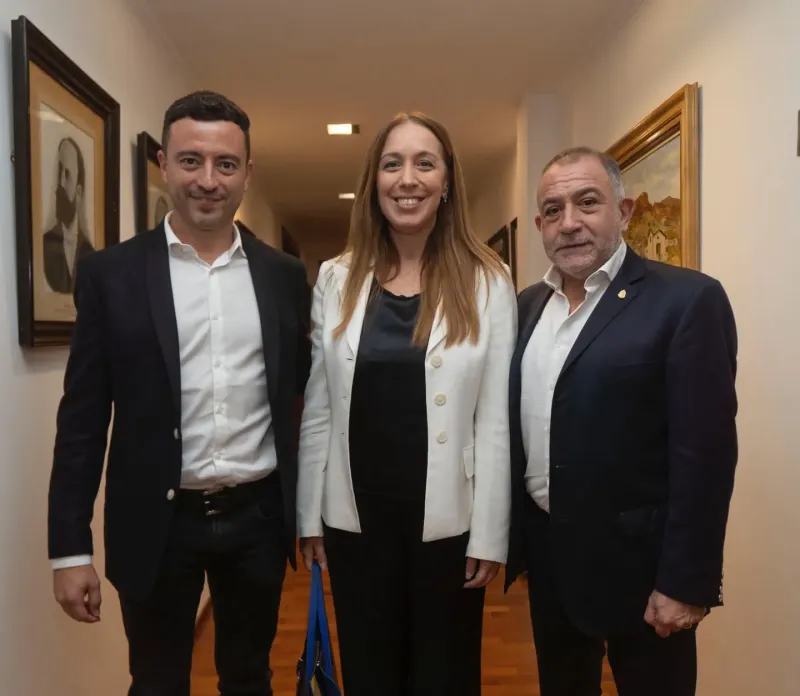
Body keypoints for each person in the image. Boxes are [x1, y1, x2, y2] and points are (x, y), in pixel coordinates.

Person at [48, 90, 311, 696]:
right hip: (155, 522)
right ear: (164, 164)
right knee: (157, 682)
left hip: (257, 518)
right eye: (191, 161)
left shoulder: (283, 277)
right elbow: (83, 421)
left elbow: (298, 399)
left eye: (225, 164)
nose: (208, 181)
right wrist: (69, 549)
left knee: (249, 678)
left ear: (248, 172)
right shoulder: (110, 275)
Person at [296, 112, 517, 695]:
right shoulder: (335, 278)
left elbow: (495, 418)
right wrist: (308, 515)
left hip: (449, 524)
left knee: (447, 677)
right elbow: (319, 407)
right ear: (374, 182)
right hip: (355, 522)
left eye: (425, 163)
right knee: (371, 674)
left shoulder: (489, 280)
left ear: (447, 182)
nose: (407, 178)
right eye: (392, 164)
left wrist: (491, 534)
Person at [505, 146, 738, 696]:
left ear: (625, 211)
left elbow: (704, 456)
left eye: (588, 203)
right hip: (552, 560)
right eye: (554, 210)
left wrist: (686, 582)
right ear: (539, 224)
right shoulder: (526, 306)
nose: (571, 223)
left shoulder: (687, 301)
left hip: (644, 571)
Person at [43, 136, 95, 294]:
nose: (60, 183)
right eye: (59, 171)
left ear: (79, 192)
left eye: (67, 175)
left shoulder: (91, 253)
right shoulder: (46, 244)